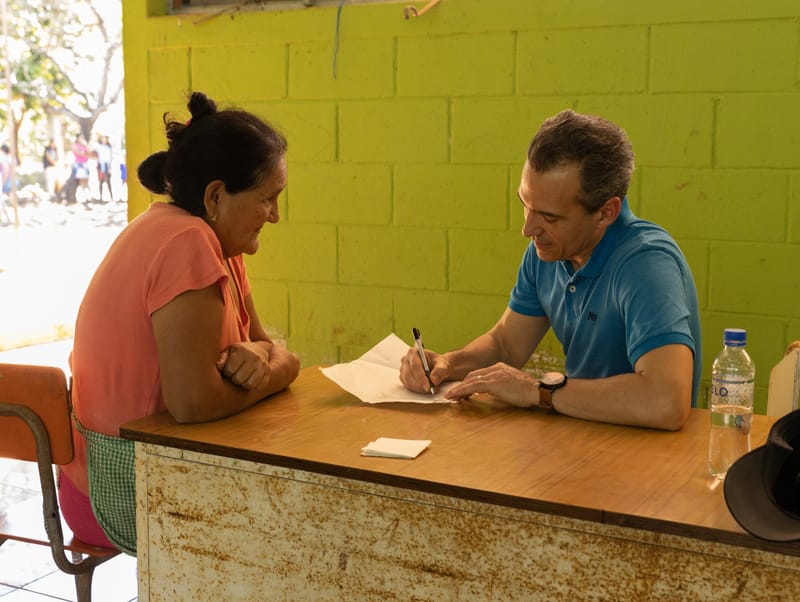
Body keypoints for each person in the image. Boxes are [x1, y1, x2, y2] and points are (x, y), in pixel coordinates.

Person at [60, 91, 301, 554]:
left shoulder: (217, 242)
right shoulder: (186, 241)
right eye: (268, 199)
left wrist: (263, 356)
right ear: (216, 196)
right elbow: (192, 403)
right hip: (120, 488)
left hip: (110, 476)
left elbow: (264, 344)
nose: (275, 215)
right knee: (290, 529)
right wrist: (276, 369)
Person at [400, 110, 701, 432]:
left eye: (549, 217)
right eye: (525, 205)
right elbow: (506, 345)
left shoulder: (646, 263)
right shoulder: (550, 250)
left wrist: (538, 391)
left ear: (606, 212)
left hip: (643, 449)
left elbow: (665, 401)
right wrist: (447, 364)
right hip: (579, 434)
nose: (528, 229)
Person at [95, 134, 113, 201]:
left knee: (108, 181)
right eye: (103, 138)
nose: (104, 140)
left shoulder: (109, 147)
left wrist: (109, 167)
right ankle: (101, 197)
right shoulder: (98, 147)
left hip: (107, 166)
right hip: (100, 166)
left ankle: (111, 197)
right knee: (101, 181)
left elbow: (110, 158)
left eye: (105, 139)